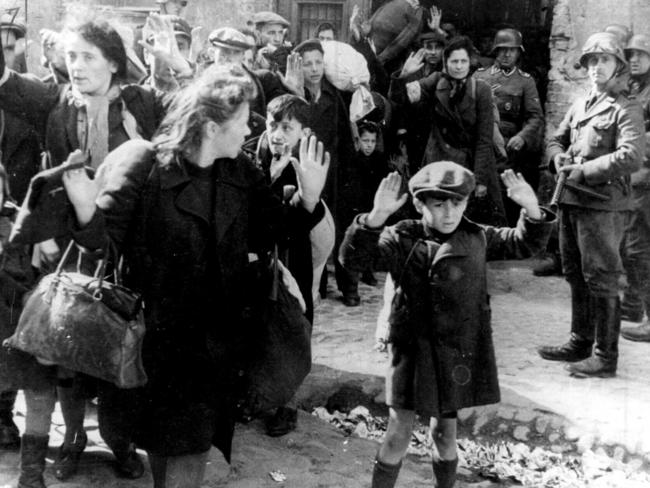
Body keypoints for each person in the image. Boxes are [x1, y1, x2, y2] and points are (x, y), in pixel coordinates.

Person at [61, 64, 329, 488]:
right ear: (210, 125)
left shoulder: (240, 170)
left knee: (187, 455)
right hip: (153, 345)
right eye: (242, 121)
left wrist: (308, 199)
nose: (249, 131)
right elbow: (100, 247)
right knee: (167, 454)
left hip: (214, 348)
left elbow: (268, 230)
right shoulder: (145, 165)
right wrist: (84, 210)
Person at [0, 11, 188, 484]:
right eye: (70, 57)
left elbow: (190, 115)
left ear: (113, 62)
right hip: (74, 241)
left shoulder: (142, 102)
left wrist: (172, 61)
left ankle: (121, 441)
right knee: (67, 342)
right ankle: (73, 439)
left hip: (136, 243)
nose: (76, 66)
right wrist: (43, 233)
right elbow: (48, 173)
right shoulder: (61, 109)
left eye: (87, 57)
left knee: (127, 339)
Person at [340, 163, 555, 488]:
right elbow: (354, 260)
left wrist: (531, 210)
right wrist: (374, 218)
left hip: (455, 354)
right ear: (419, 204)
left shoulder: (477, 236)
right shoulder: (402, 238)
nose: (449, 212)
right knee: (398, 433)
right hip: (413, 353)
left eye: (458, 203)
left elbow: (523, 244)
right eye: (439, 204)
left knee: (445, 433)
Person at [537, 32, 644, 378]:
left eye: (605, 60)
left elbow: (631, 156)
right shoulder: (581, 102)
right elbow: (555, 138)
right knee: (574, 273)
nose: (597, 67)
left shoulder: (625, 107)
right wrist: (557, 159)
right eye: (592, 61)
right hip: (571, 201)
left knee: (602, 277)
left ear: (618, 67)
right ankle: (579, 341)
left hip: (603, 205)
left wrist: (583, 170)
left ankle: (605, 356)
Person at [255, 93, 335, 436]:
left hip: (294, 256)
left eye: (287, 127)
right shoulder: (254, 159)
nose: (277, 134)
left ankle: (286, 404)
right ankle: (256, 395)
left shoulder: (306, 164)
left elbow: (312, 220)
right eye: (273, 125)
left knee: (293, 325)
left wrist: (305, 198)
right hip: (259, 258)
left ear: (303, 131)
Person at [390, 35, 506, 226]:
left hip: (470, 163)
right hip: (439, 160)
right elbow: (400, 99)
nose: (459, 66)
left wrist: (480, 180)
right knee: (438, 218)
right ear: (446, 62)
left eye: (463, 61)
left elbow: (484, 139)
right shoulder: (436, 82)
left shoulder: (481, 89)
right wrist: (403, 76)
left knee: (473, 223)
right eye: (454, 61)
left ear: (470, 63)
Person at [290, 39, 357, 305]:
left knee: (340, 228)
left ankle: (348, 285)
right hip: (306, 174)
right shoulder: (295, 96)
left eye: (319, 62)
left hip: (335, 174)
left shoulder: (334, 96)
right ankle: (315, 284)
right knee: (309, 229)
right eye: (308, 64)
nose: (314, 69)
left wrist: (349, 177)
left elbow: (346, 141)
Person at [475, 28, 545, 226]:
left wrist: (522, 137)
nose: (507, 54)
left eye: (512, 50)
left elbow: (535, 117)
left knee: (504, 197)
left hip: (507, 150)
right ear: (495, 51)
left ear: (518, 53)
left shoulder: (525, 81)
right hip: (481, 144)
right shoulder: (480, 76)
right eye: (503, 49)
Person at [620, 33, 650, 341]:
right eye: (630, 54)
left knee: (640, 249)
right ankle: (631, 305)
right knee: (630, 245)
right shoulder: (634, 88)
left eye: (642, 54)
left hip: (647, 181)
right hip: (634, 179)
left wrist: (630, 142)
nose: (635, 59)